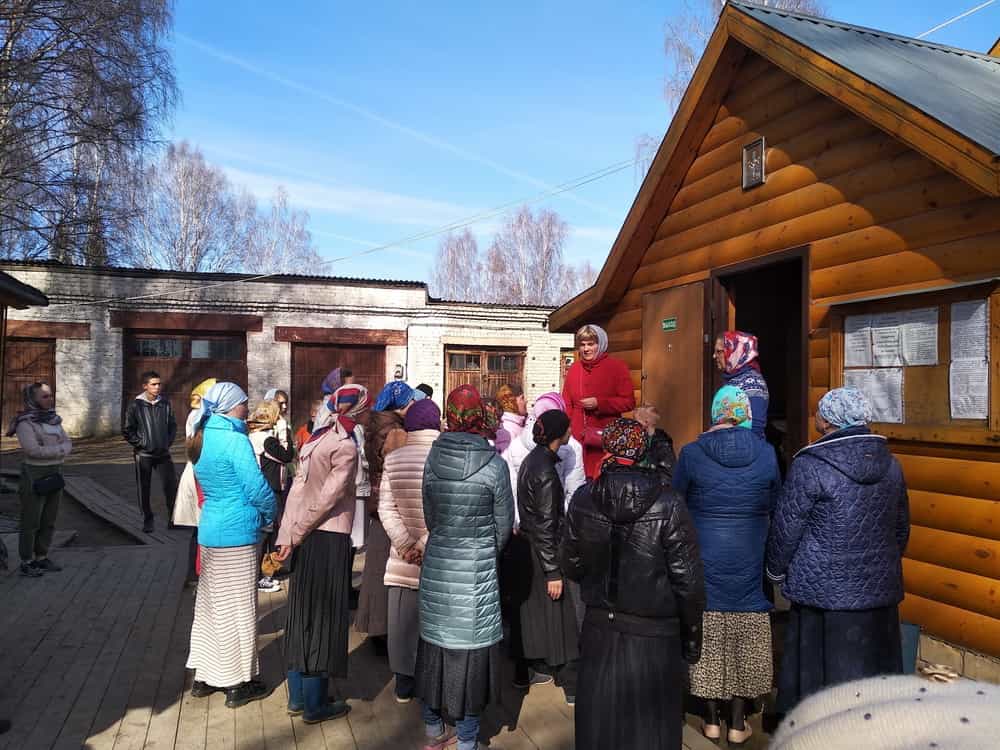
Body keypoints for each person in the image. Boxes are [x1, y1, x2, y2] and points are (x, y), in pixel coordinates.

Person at [560, 418, 705, 750]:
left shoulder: (584, 499)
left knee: (600, 729)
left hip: (603, 628)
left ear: (609, 450)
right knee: (649, 731)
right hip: (652, 634)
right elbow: (688, 581)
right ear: (644, 450)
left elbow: (571, 562)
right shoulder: (668, 503)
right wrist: (693, 639)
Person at [767, 387, 910, 716]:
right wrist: (882, 564)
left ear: (829, 421)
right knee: (875, 672)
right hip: (879, 589)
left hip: (823, 592)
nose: (815, 416)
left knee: (820, 677)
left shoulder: (810, 465)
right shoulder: (892, 465)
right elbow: (900, 525)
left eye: (819, 411)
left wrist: (775, 570)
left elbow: (787, 525)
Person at [673, 386, 781, 744]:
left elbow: (678, 504)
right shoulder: (766, 453)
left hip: (705, 554)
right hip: (751, 553)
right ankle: (738, 722)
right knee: (746, 630)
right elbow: (774, 501)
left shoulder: (691, 453)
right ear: (745, 413)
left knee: (710, 629)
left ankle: (710, 719)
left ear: (716, 412)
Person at [416, 385, 514, 750]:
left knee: (434, 651)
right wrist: (481, 551)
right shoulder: (495, 466)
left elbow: (430, 516)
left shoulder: (432, 459)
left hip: (438, 566)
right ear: (479, 418)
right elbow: (503, 528)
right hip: (477, 575)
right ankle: (467, 741)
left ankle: (432, 730)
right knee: (472, 659)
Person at [185, 382, 276, 709]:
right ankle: (238, 682)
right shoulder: (234, 440)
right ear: (230, 407)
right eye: (243, 404)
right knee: (238, 608)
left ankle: (205, 677)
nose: (246, 409)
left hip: (210, 530)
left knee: (210, 607)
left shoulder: (202, 434)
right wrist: (271, 513)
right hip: (237, 532)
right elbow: (256, 488)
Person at [274, 399, 358, 725]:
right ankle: (315, 704)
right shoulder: (343, 447)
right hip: (328, 537)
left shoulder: (313, 442)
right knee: (323, 618)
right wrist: (296, 533)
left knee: (301, 614)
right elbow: (329, 498)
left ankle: (297, 697)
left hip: (303, 537)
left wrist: (287, 535)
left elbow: (296, 492)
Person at [378, 398, 442, 703]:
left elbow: (385, 508)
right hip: (438, 558)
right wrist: (423, 544)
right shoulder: (446, 459)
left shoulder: (394, 459)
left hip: (402, 560)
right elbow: (447, 511)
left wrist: (405, 545)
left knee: (401, 624)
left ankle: (403, 684)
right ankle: (432, 684)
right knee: (433, 624)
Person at [515, 409, 579, 704]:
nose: (570, 432)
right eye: (567, 428)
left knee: (540, 613)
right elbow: (545, 524)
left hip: (535, 548)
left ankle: (538, 666)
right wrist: (553, 571)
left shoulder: (535, 461)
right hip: (545, 551)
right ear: (558, 434)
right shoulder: (545, 472)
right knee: (560, 617)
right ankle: (568, 681)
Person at [356, 381, 418, 642]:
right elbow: (399, 471)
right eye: (410, 400)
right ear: (401, 404)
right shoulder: (394, 431)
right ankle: (382, 628)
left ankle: (374, 623)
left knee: (375, 564)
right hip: (389, 504)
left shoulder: (377, 424)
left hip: (376, 499)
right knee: (385, 566)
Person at [7, 383, 72, 577]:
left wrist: (55, 449)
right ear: (32, 399)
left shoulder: (54, 420)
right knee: (31, 520)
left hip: (55, 472)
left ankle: (41, 557)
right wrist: (60, 450)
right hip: (34, 473)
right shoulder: (25, 423)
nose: (49, 399)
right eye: (44, 396)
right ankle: (26, 561)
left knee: (49, 519)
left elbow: (68, 442)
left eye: (50, 395)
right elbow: (33, 450)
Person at [562, 324, 636, 479]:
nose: (586, 349)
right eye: (582, 345)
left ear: (600, 344)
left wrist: (600, 404)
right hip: (577, 440)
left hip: (605, 438)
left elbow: (629, 402)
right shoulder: (574, 369)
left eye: (591, 344)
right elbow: (567, 403)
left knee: (603, 482)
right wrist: (566, 430)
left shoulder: (617, 367)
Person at [248, 400, 296, 593]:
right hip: (269, 488)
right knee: (266, 532)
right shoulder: (265, 439)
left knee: (268, 531)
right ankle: (259, 576)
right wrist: (285, 434)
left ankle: (266, 570)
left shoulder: (255, 436)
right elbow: (287, 455)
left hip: (266, 487)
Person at [123, 370, 178, 533]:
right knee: (144, 488)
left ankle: (173, 519)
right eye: (153, 384)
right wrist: (141, 444)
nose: (157, 387)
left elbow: (172, 426)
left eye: (159, 384)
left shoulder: (165, 403)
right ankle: (148, 520)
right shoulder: (135, 405)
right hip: (144, 454)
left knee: (171, 486)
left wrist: (167, 442)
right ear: (145, 386)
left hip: (163, 454)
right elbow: (127, 430)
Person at [174, 378, 217, 585]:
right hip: (199, 473)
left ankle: (196, 573)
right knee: (200, 528)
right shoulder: (200, 417)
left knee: (200, 528)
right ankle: (196, 573)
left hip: (199, 471)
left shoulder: (201, 416)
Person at [714, 332, 769, 439]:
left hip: (747, 448)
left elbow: (755, 428)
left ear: (735, 351)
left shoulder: (753, 382)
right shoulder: (732, 379)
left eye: (719, 351)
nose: (714, 355)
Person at [493, 385, 526, 454]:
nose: (526, 401)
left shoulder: (518, 424)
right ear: (512, 402)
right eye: (522, 398)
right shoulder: (507, 431)